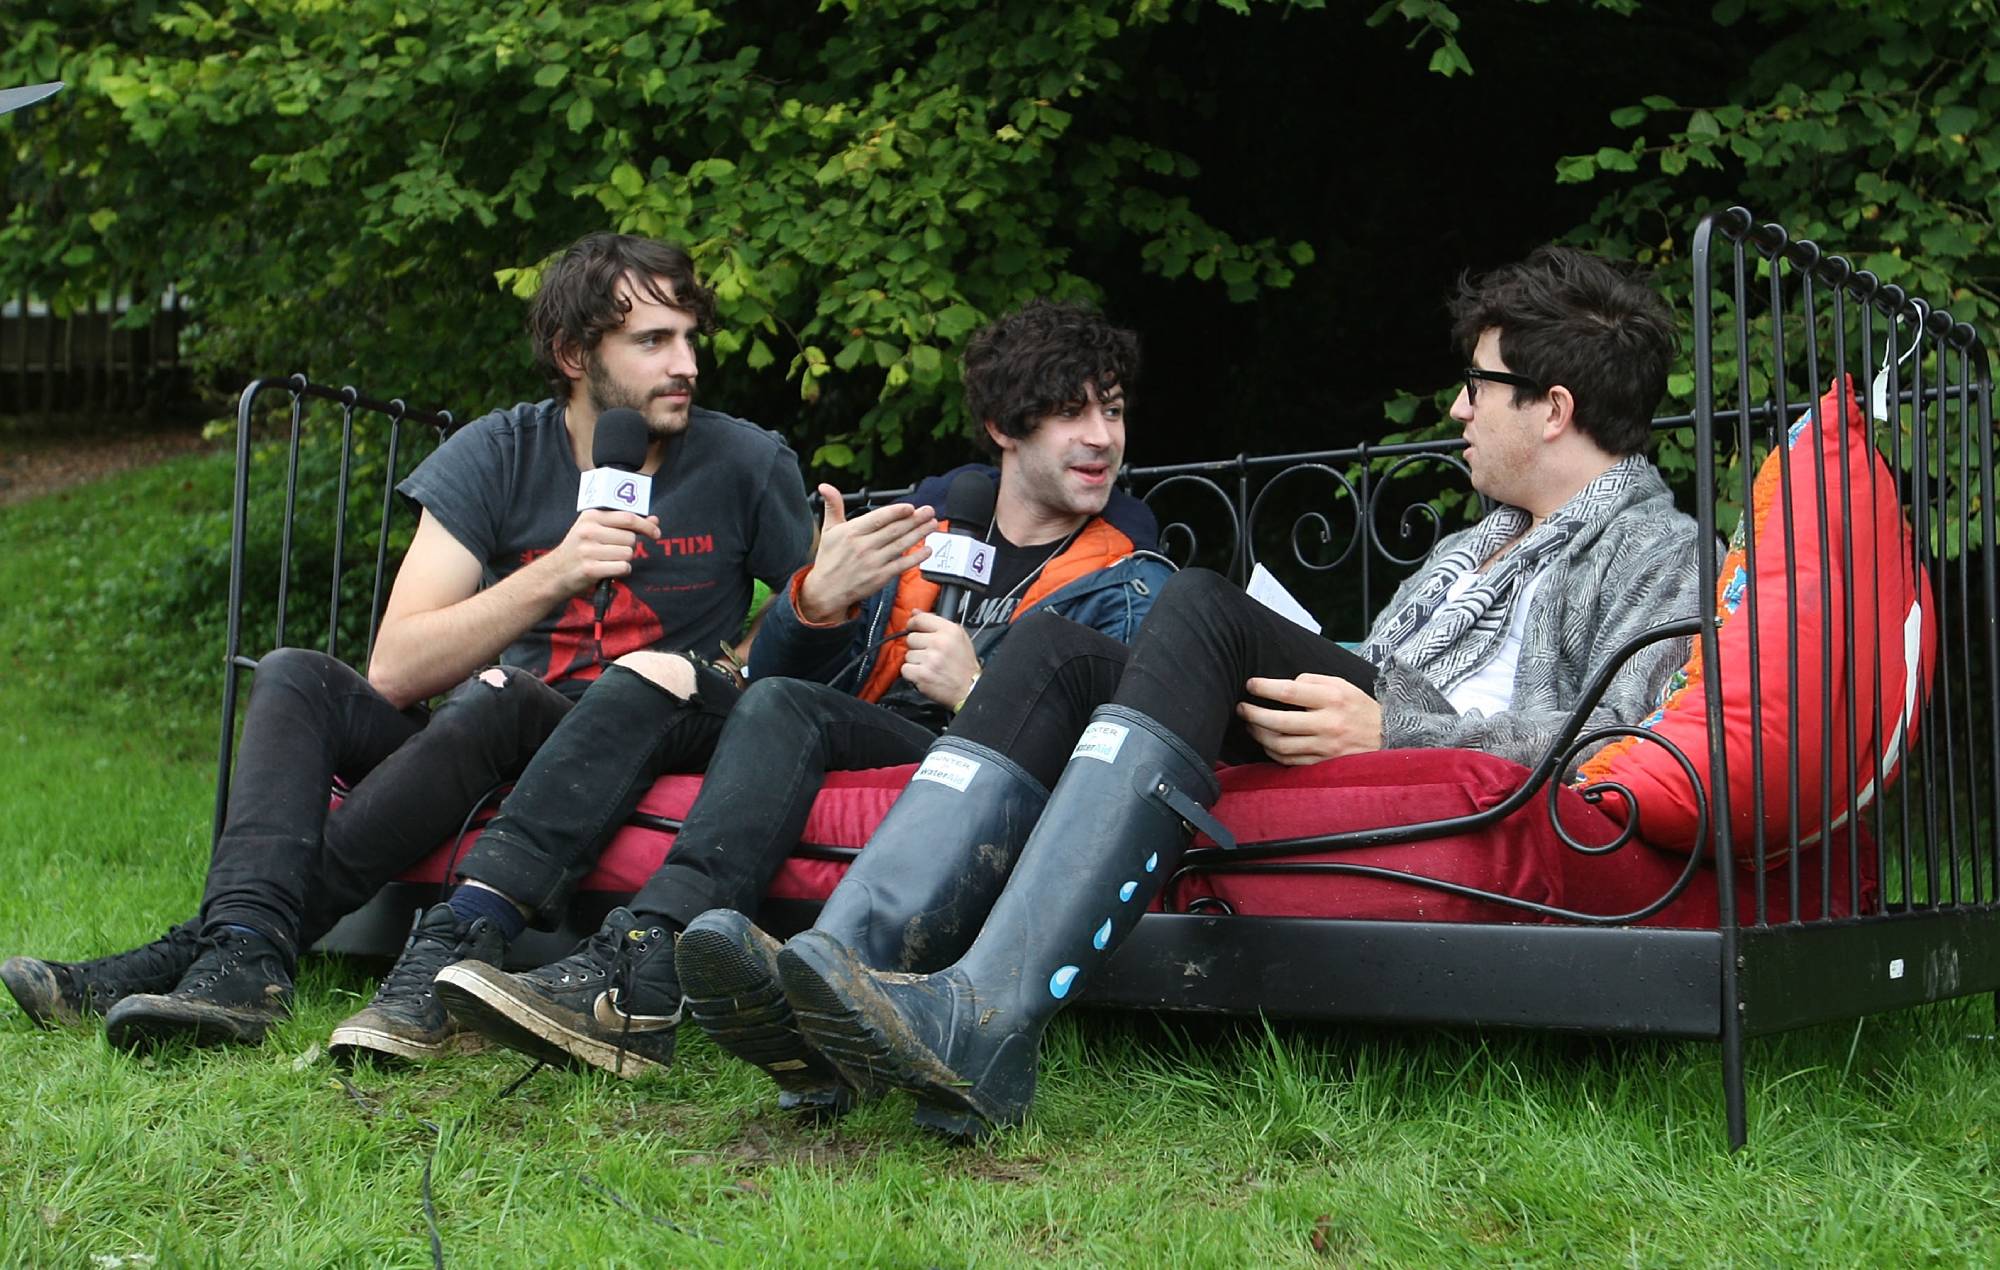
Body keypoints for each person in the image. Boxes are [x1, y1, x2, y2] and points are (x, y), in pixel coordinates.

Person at [683, 245, 1708, 1135]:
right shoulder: (1467, 549)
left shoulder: (1654, 552)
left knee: (1199, 601)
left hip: (1424, 743)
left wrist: (1398, 726)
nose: (1456, 407)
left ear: (1553, 408)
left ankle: (987, 1013)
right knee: (1047, 648)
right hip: (1354, 722)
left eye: (1477, 386)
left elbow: (1623, 741)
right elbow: (1380, 660)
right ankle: (836, 970)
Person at [0, 232, 816, 1051]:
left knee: (500, 695)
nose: (687, 365)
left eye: (688, 338)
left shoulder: (744, 462)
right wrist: (555, 571)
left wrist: (737, 655)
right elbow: (395, 668)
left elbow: (809, 622)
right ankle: (241, 954)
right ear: (573, 352)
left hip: (637, 734)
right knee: (296, 676)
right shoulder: (497, 453)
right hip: (488, 730)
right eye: (653, 341)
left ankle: (221, 949)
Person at [401, 300, 1174, 1093]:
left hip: (975, 755)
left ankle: (646, 965)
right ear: (1005, 428)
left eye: (1112, 413)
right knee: (650, 675)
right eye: (1071, 414)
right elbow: (783, 677)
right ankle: (469, 928)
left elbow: (1120, 745)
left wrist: (976, 689)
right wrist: (815, 605)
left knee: (785, 710)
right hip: (864, 723)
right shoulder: (920, 535)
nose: (1102, 439)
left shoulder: (1131, 581)